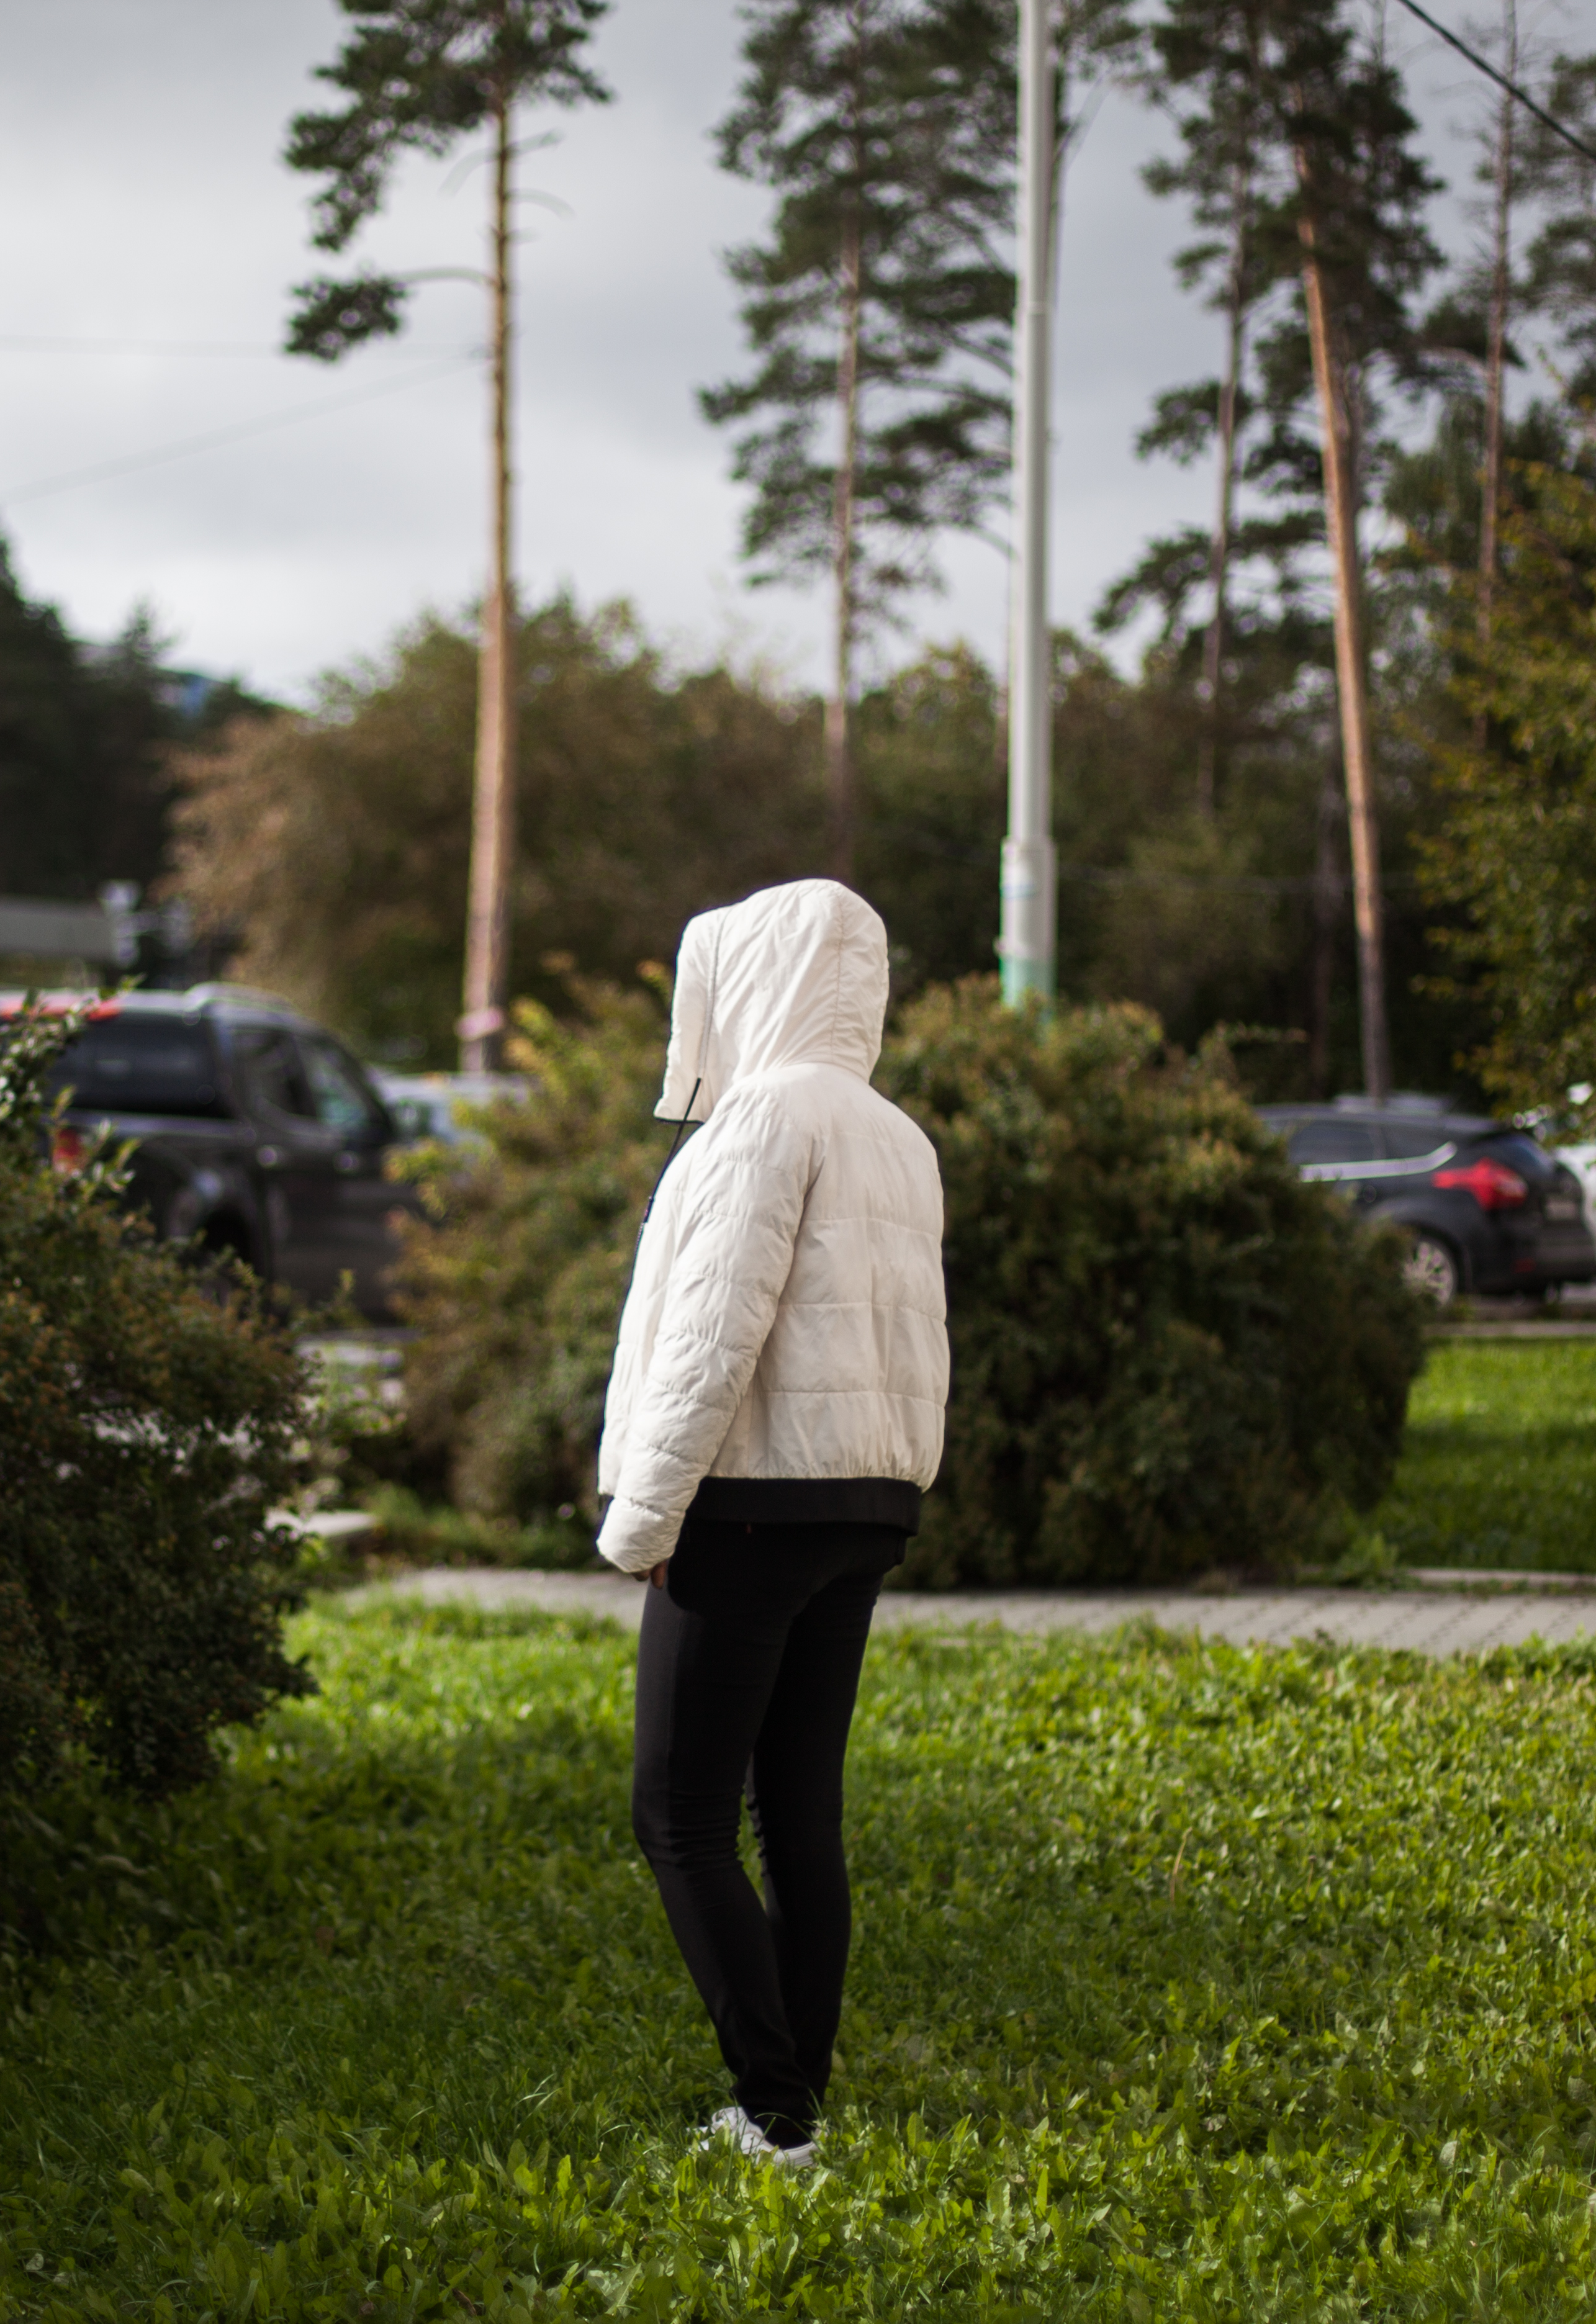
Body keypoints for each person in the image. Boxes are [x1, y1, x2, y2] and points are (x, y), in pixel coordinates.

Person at [595, 878, 949, 2170]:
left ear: (753, 980)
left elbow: (711, 1336)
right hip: (864, 1504)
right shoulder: (896, 1133)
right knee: (797, 1812)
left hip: (745, 1505)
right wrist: (898, 1485)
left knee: (679, 1818)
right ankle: (798, 2096)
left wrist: (646, 1516)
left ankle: (776, 2112)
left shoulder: (759, 1121)